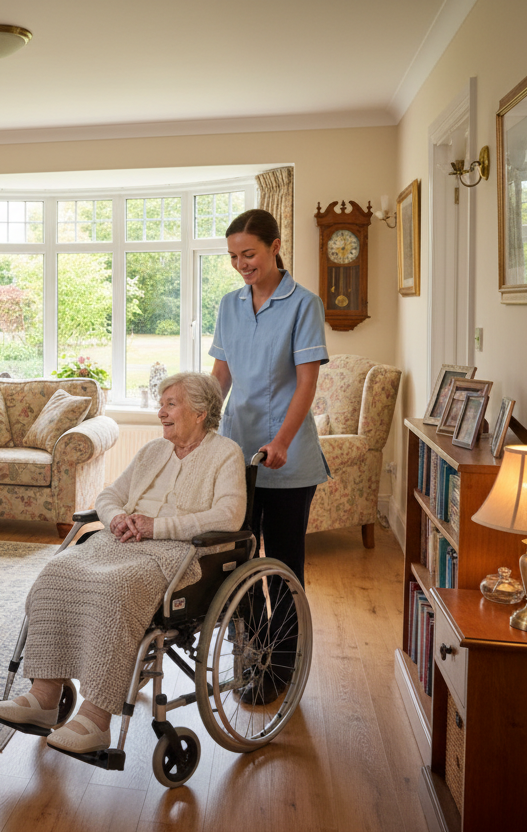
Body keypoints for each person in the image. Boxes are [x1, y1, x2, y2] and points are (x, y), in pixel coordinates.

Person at [0, 373, 245, 754]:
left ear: (200, 412)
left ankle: (96, 717)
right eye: (161, 404)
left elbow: (229, 515)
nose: (161, 412)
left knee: (116, 588)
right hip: (120, 541)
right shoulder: (152, 452)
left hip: (178, 553)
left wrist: (159, 527)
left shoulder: (225, 453)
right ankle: (43, 696)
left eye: (170, 404)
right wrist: (116, 519)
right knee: (56, 573)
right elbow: (110, 495)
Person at [208, 208, 329, 705]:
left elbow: (307, 383)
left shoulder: (304, 304)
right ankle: (250, 654)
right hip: (237, 454)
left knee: (281, 566)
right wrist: (198, 423)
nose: (241, 264)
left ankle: (281, 666)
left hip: (287, 457)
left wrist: (280, 441)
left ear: (275, 246)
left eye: (249, 254)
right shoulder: (229, 304)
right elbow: (221, 376)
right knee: (234, 563)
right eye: (234, 256)